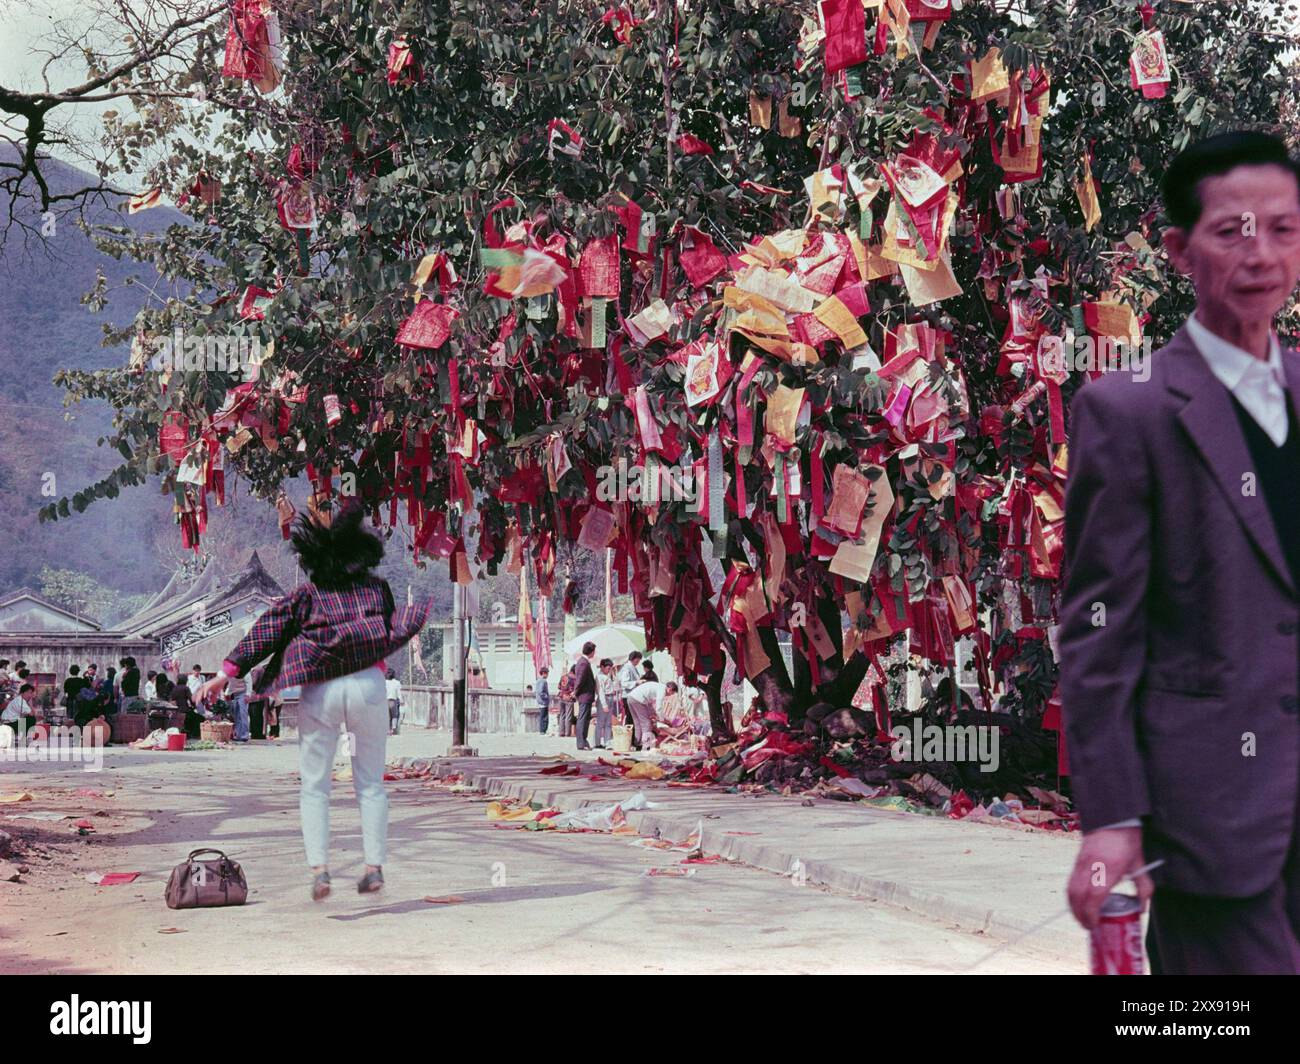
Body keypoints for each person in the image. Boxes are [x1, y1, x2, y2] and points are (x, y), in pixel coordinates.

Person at [1060, 131, 1300, 975]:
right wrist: (1111, 820)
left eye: (1283, 229)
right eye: (1232, 230)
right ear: (1178, 250)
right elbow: (1099, 633)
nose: (1260, 254)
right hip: (1213, 820)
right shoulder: (1130, 413)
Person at [197, 502, 429, 902]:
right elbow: (389, 629)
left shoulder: (307, 595)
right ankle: (373, 867)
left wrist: (225, 674)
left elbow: (267, 631)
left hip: (321, 689)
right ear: (362, 553)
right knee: (370, 783)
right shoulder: (378, 590)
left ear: (314, 558)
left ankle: (320, 872)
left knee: (315, 786)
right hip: (370, 686)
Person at [624, 679, 665, 751]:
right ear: (670, 689)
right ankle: (646, 745)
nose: (668, 695)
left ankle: (637, 744)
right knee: (646, 723)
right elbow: (659, 707)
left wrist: (653, 714)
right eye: (671, 693)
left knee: (637, 723)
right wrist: (661, 719)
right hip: (638, 699)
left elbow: (649, 704)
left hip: (630, 698)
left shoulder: (656, 686)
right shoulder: (662, 690)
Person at [572, 642, 597, 751]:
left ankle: (583, 741)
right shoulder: (583, 663)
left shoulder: (583, 662)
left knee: (585, 718)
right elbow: (580, 679)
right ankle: (581, 743)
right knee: (582, 719)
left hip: (585, 695)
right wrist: (575, 692)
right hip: (584, 695)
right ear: (591, 651)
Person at [594, 658, 618, 749]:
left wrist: (614, 675)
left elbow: (616, 687)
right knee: (600, 722)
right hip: (604, 698)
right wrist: (604, 705)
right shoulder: (599, 677)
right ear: (602, 667)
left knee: (608, 723)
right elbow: (600, 692)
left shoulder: (608, 676)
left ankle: (607, 742)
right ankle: (597, 743)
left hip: (611, 698)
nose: (609, 670)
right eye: (608, 669)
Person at [556, 666, 576, 737]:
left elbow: (558, 687)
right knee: (568, 716)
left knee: (562, 715)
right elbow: (576, 689)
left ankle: (561, 732)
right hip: (569, 698)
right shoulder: (574, 678)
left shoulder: (563, 676)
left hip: (561, 697)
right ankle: (567, 733)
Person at [385, 668, 402, 735]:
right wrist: (401, 700)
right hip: (393, 701)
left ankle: (388, 730)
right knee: (394, 716)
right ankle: (394, 728)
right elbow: (399, 693)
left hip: (385, 701)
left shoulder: (384, 682)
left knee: (388, 716)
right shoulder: (397, 683)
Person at [535, 666, 550, 735]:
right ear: (544, 673)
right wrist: (546, 697)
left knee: (542, 716)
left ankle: (542, 730)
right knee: (544, 717)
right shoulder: (543, 681)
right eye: (547, 673)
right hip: (543, 701)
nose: (547, 675)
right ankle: (543, 730)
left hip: (540, 701)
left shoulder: (538, 680)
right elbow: (541, 692)